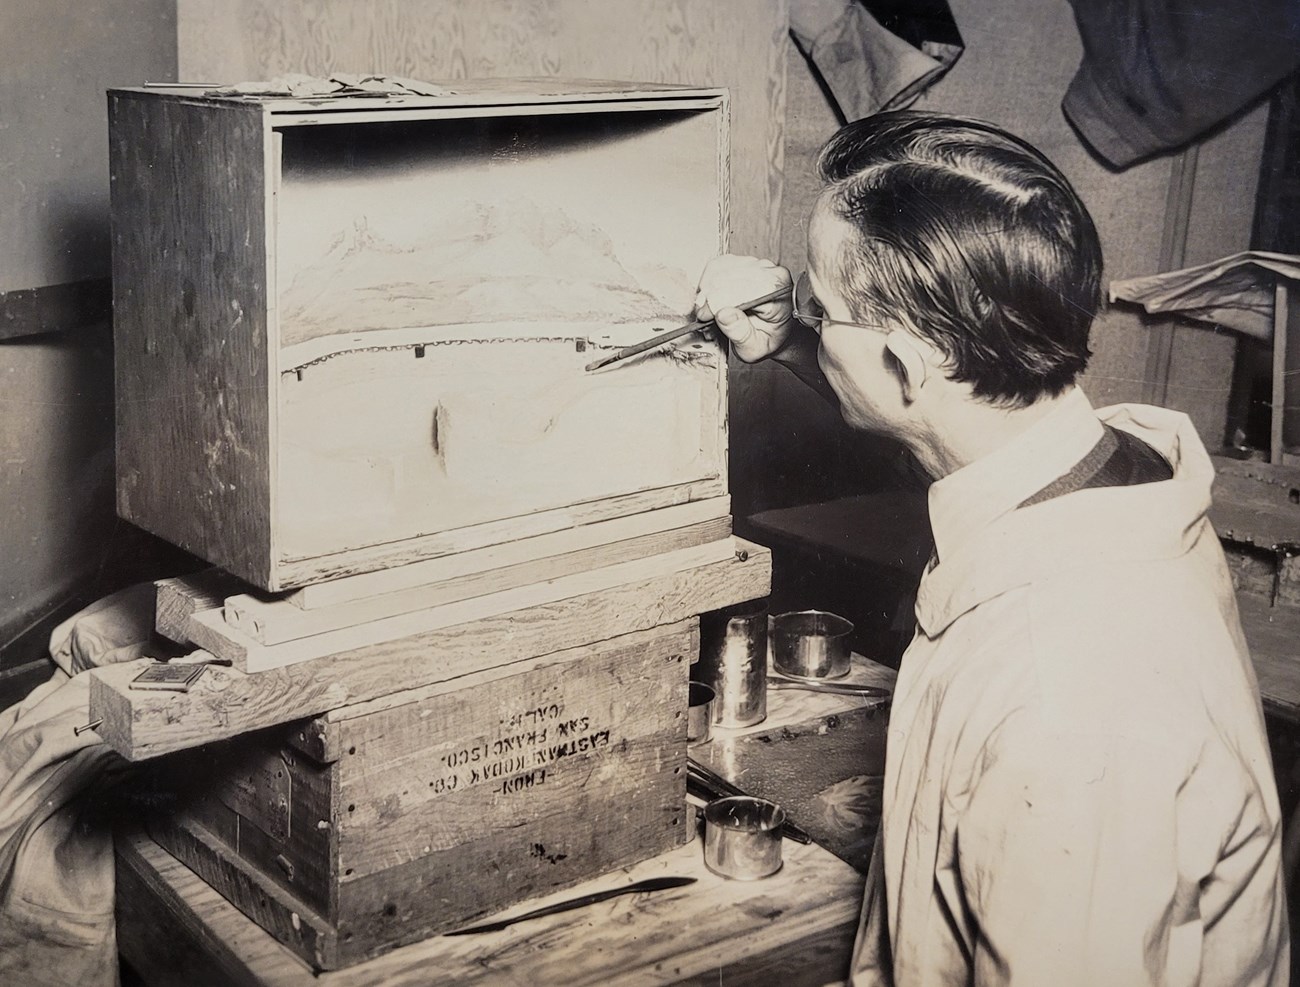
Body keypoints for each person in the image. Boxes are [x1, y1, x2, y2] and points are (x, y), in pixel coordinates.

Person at [695, 111, 1288, 986]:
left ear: (902, 369)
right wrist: (786, 340)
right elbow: (928, 422)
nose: (806, 316)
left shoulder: (1066, 708)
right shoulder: (1102, 471)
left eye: (820, 307)